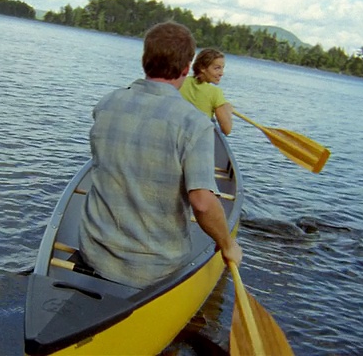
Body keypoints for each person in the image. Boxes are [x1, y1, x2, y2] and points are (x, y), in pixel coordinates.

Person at [77, 21, 242, 289]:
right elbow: (202, 203)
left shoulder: (106, 104)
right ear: (186, 68)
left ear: (145, 60)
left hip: (94, 252)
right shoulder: (195, 124)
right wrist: (227, 244)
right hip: (154, 269)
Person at [179, 48, 234, 135]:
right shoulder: (215, 93)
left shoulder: (181, 82)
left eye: (222, 68)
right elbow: (227, 130)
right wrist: (227, 111)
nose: (221, 73)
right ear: (202, 68)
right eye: (217, 68)